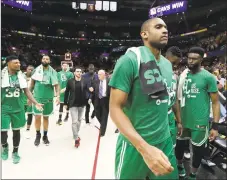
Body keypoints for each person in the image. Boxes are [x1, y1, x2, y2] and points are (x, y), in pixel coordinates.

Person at [109, 18, 178, 179]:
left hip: (164, 141)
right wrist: (145, 149)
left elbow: (162, 104)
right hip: (135, 145)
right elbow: (114, 108)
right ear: (144, 34)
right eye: (159, 27)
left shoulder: (168, 65)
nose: (165, 30)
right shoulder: (130, 60)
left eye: (166, 27)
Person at [175, 47, 220, 179]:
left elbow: (216, 103)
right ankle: (180, 166)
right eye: (189, 58)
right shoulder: (183, 75)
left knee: (198, 151)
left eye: (194, 59)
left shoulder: (208, 77)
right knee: (179, 147)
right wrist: (177, 119)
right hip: (182, 120)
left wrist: (215, 126)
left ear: (202, 59)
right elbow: (176, 99)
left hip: (200, 121)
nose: (190, 61)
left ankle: (193, 174)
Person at [1, 55, 43, 164]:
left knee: (16, 132)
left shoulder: (21, 77)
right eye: (16, 63)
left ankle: (15, 152)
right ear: (8, 63)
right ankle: (5, 147)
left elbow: (27, 91)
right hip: (4, 109)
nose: (19, 64)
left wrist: (36, 102)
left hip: (18, 109)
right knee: (3, 132)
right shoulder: (2, 76)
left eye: (19, 63)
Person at [30, 55, 60, 146]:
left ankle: (45, 136)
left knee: (46, 117)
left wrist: (58, 96)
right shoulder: (36, 70)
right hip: (37, 98)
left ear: (49, 61)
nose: (45, 60)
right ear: (41, 60)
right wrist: (29, 97)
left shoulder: (53, 72)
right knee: (37, 117)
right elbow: (32, 84)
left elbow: (57, 85)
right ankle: (38, 135)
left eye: (47, 59)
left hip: (48, 99)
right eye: (43, 58)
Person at [64, 67, 90, 147]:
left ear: (81, 73)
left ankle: (76, 133)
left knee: (79, 120)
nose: (79, 73)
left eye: (80, 72)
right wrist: (65, 103)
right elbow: (66, 92)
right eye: (77, 71)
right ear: (74, 73)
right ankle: (76, 138)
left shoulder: (85, 81)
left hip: (82, 104)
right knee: (74, 121)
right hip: (72, 104)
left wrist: (89, 94)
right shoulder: (70, 81)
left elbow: (88, 90)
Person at [165, 46, 183, 148]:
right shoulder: (154, 72)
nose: (174, 66)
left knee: (171, 148)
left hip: (170, 118)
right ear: (166, 57)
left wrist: (179, 121)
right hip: (157, 119)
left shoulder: (174, 76)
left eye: (176, 64)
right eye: (173, 63)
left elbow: (174, 100)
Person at [92, 70, 110, 137]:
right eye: (98, 74)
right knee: (97, 114)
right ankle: (103, 124)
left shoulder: (109, 81)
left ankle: (102, 132)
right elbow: (94, 91)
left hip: (106, 100)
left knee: (105, 116)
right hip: (97, 100)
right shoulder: (96, 81)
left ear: (104, 75)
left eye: (99, 74)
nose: (98, 76)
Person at [24, 65, 35, 139]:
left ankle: (28, 129)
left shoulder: (35, 78)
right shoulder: (20, 76)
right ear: (26, 69)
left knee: (30, 114)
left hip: (30, 97)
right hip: (21, 97)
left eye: (32, 70)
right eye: (29, 69)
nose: (30, 71)